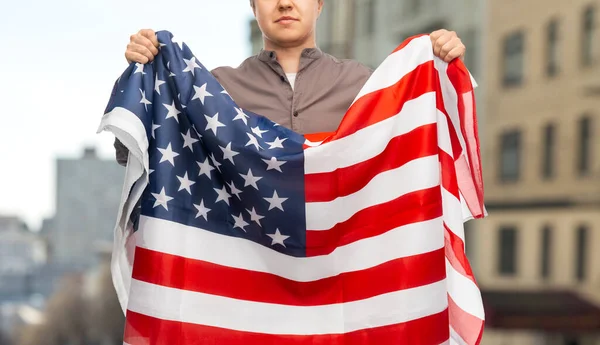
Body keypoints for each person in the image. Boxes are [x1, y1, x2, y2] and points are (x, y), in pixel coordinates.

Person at [113, 0, 466, 166]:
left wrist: (441, 68)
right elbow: (135, 151)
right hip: (246, 293)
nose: (284, 3)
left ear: (319, 5)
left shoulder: (367, 84)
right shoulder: (214, 90)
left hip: (340, 292)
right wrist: (141, 78)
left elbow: (432, 147)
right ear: (253, 6)